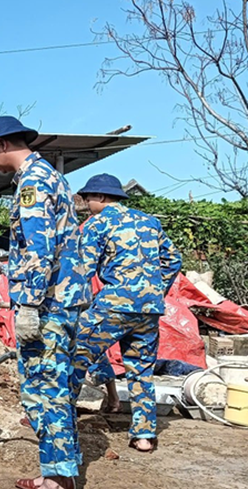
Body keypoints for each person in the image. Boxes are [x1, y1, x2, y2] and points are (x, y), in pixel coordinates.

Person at [0, 116, 90, 489]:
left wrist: (28, 305)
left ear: (4, 144)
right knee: (47, 392)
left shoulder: (33, 182)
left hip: (48, 309)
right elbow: (45, 248)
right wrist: (7, 266)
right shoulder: (49, 176)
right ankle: (53, 473)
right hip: (57, 301)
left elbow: (41, 252)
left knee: (46, 394)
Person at [73, 174, 182, 452]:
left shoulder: (97, 224)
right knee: (141, 371)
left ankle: (58, 419)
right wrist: (155, 291)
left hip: (114, 305)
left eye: (87, 199)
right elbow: (173, 259)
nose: (85, 204)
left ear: (100, 197)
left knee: (75, 357)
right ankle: (144, 437)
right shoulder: (149, 221)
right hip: (149, 310)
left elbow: (82, 270)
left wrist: (73, 305)